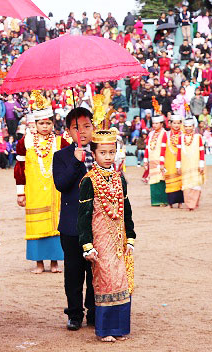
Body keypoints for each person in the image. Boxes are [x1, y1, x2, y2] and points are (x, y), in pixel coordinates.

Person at [78, 126, 135, 342]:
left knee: (121, 280)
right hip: (100, 240)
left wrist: (130, 236)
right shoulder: (88, 181)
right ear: (93, 154)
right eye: (103, 153)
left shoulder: (120, 179)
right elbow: (83, 217)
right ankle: (104, 329)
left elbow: (126, 210)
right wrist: (87, 245)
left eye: (111, 152)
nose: (108, 157)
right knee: (105, 280)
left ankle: (119, 328)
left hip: (119, 239)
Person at [52, 107, 96, 331]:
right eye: (77, 128)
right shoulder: (61, 156)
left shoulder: (102, 152)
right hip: (71, 226)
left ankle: (95, 311)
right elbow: (61, 184)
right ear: (68, 131)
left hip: (98, 224)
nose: (83, 132)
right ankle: (75, 314)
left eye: (87, 126)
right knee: (74, 271)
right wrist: (76, 162)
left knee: (96, 271)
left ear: (94, 128)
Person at [15, 91, 67, 274]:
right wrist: (20, 192)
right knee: (36, 225)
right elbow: (19, 169)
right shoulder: (25, 142)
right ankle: (38, 263)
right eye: (41, 123)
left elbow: (70, 163)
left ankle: (54, 262)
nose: (45, 126)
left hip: (54, 191)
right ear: (35, 124)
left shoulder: (60, 141)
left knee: (55, 225)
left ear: (53, 123)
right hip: (34, 191)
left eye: (48, 123)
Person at [180, 117, 205, 210]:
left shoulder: (198, 137)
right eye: (186, 126)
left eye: (190, 126)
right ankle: (189, 204)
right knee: (186, 184)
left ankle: (194, 203)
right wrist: (178, 164)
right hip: (185, 165)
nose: (188, 128)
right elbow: (179, 152)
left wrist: (201, 164)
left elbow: (201, 151)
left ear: (193, 126)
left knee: (195, 183)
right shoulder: (181, 137)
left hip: (196, 164)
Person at [144, 115, 168, 206]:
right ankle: (155, 201)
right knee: (153, 180)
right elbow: (147, 147)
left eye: (157, 123)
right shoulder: (150, 134)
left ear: (161, 124)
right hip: (152, 161)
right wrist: (146, 160)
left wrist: (162, 162)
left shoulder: (164, 133)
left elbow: (164, 148)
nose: (154, 125)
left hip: (161, 160)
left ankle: (163, 201)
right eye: (153, 123)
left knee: (161, 180)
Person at [163, 114, 184, 208]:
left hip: (181, 161)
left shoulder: (183, 135)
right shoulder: (166, 134)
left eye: (178, 123)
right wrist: (161, 162)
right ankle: (170, 203)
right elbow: (162, 148)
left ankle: (180, 202)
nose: (176, 125)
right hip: (169, 161)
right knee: (170, 181)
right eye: (174, 123)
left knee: (180, 182)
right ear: (170, 124)